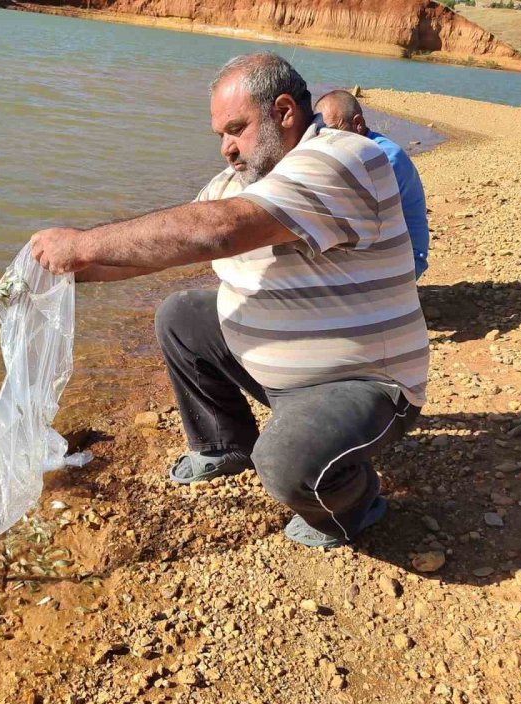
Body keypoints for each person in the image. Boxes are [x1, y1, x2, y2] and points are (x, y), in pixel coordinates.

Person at [29, 53, 428, 549]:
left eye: (236, 129)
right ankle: (223, 445)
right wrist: (65, 275)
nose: (226, 148)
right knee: (181, 315)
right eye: (219, 134)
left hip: (366, 383)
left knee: (284, 463)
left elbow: (217, 230)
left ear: (285, 111)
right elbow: (155, 252)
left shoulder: (345, 158)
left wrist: (81, 243)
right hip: (281, 377)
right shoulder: (239, 182)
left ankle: (353, 506)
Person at [314, 89, 430, 279]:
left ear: (358, 124)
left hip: (407, 260)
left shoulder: (384, 158)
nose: (326, 141)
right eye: (319, 134)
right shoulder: (357, 151)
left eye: (333, 131)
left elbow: (343, 215)